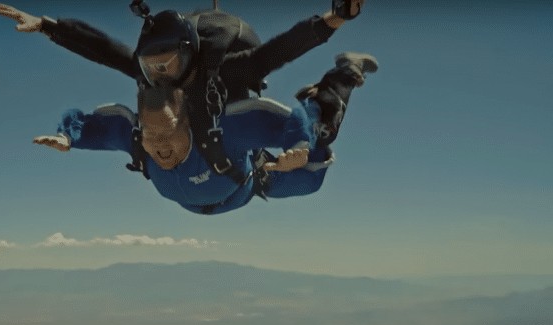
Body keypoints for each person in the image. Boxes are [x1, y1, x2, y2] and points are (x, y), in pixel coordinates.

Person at [0, 0, 365, 182]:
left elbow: (281, 49)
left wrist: (334, 19)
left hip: (236, 122)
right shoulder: (151, 79)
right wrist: (46, 25)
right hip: (202, 143)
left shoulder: (224, 73)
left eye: (167, 64)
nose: (158, 74)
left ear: (189, 54)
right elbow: (103, 49)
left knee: (321, 131)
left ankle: (343, 74)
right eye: (149, 65)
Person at [33, 52, 377, 215]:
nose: (160, 147)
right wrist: (68, 137)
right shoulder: (134, 136)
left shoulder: (226, 130)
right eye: (152, 136)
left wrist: (300, 147)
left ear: (189, 123)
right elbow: (90, 123)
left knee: (316, 158)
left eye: (168, 133)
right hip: (231, 192)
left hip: (255, 179)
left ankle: (341, 77)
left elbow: (282, 118)